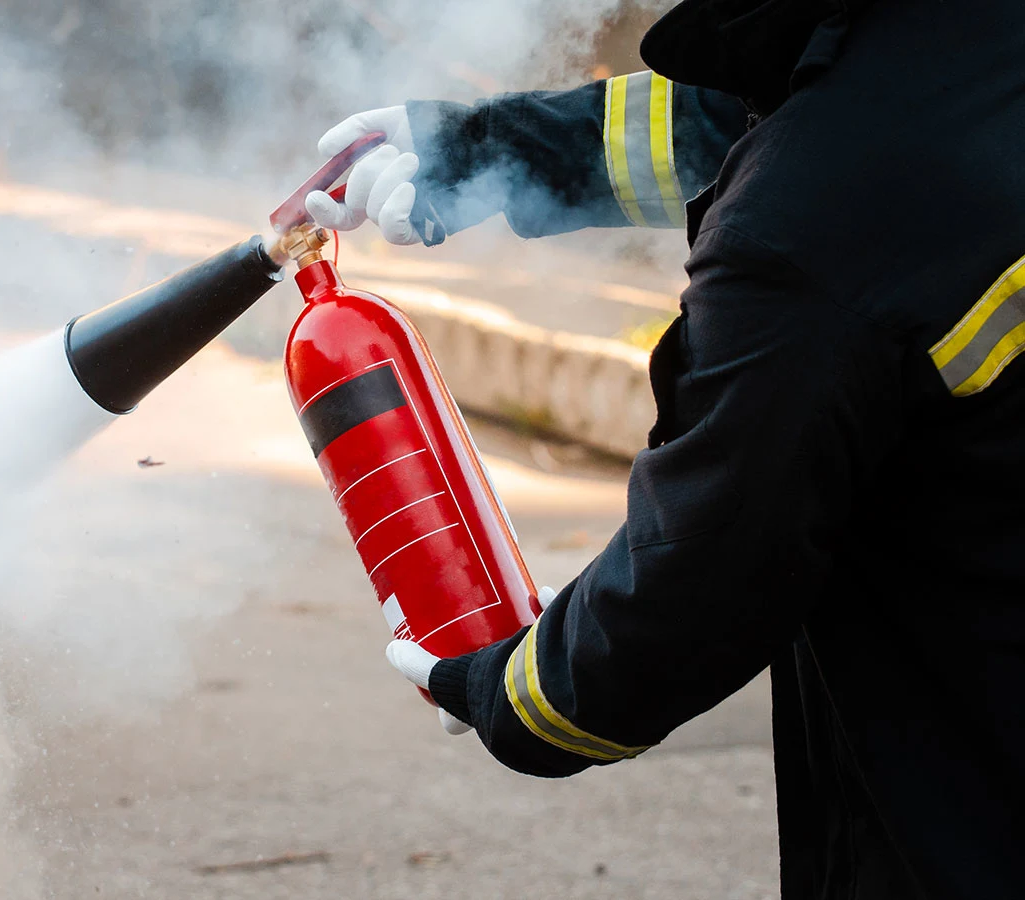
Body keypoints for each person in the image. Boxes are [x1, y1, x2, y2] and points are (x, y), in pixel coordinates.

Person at [309, 1, 1025, 897]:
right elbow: (729, 113)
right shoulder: (957, 47)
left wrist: (512, 693)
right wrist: (481, 152)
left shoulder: (811, 226)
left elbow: (704, 574)